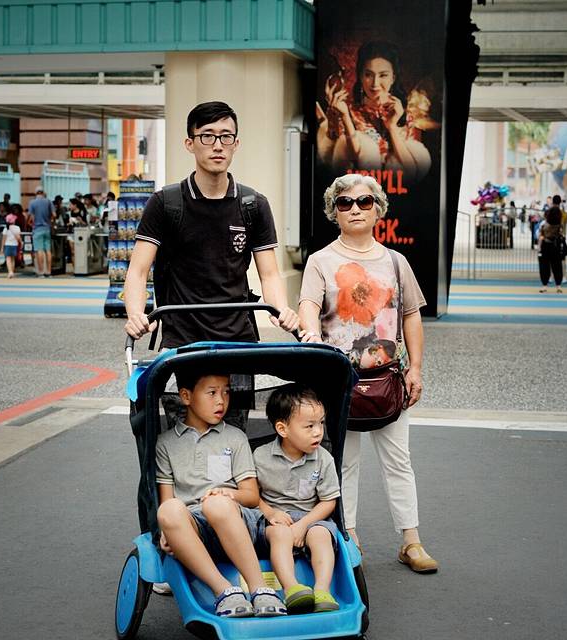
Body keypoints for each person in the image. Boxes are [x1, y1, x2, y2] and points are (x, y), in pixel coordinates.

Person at [299, 173, 438, 574]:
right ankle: (349, 536)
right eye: (344, 203)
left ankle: (410, 540)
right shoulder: (321, 261)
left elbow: (411, 316)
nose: (355, 209)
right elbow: (309, 306)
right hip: (337, 380)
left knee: (398, 460)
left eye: (364, 201)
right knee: (344, 462)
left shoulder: (396, 262)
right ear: (334, 212)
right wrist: (310, 334)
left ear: (378, 210)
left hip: (388, 379)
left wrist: (415, 368)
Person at [124, 101, 299, 346]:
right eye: (207, 136)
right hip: (182, 338)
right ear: (190, 144)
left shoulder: (253, 204)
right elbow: (138, 271)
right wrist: (136, 314)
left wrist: (281, 310)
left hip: (240, 337)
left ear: (236, 144)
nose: (218, 145)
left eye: (226, 137)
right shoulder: (165, 203)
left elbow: (269, 274)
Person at [155, 370, 287, 618]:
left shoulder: (235, 437)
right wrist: (166, 530)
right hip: (195, 527)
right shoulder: (165, 443)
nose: (221, 401)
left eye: (226, 392)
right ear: (186, 396)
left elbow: (251, 496)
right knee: (168, 511)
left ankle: (260, 589)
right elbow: (167, 499)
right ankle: (225, 591)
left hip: (235, 519)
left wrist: (229, 494)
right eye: (212, 393)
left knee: (216, 504)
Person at [254, 384, 341, 613]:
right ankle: (292, 588)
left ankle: (322, 590)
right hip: (274, 519)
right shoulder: (260, 456)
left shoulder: (323, 459)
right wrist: (271, 513)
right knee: (280, 533)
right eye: (309, 426)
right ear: (282, 429)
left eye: (321, 423)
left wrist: (303, 525)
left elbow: (328, 501)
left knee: (321, 535)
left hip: (311, 517)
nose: (318, 432)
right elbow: (252, 495)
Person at [316, 41, 432, 182]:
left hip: (395, 190)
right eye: (368, 75)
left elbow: (411, 171)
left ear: (393, 78)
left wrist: (392, 127)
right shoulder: (347, 111)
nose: (375, 83)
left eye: (383, 75)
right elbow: (339, 159)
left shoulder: (404, 115)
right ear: (360, 77)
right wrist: (344, 116)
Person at [537, 196, 564, 294]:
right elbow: (561, 232)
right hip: (556, 245)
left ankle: (544, 286)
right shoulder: (559, 222)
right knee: (557, 265)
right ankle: (558, 286)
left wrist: (539, 247)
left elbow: (541, 236)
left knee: (544, 265)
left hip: (546, 244)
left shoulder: (544, 225)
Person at [28, 186, 54, 277]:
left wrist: (29, 223)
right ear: (43, 192)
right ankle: (49, 271)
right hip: (47, 228)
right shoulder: (48, 201)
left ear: (36, 193)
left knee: (39, 250)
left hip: (37, 228)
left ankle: (41, 271)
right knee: (48, 250)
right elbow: (54, 214)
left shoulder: (32, 202)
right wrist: (50, 221)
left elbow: (30, 216)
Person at [0, 213, 22, 278]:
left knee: (8, 259)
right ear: (14, 221)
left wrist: (2, 248)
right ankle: (12, 271)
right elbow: (19, 237)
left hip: (7, 245)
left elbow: (3, 239)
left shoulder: (6, 229)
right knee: (13, 259)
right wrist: (21, 243)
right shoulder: (17, 228)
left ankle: (10, 272)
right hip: (15, 245)